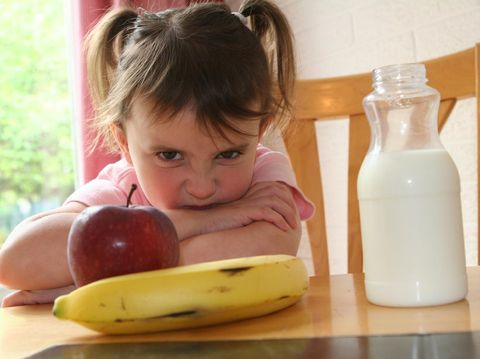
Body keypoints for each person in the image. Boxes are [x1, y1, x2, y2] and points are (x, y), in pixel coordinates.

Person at [0, 0, 314, 307]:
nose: (201, 187)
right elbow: (14, 262)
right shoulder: (123, 187)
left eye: (228, 154)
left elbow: (272, 249)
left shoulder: (264, 173)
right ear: (123, 143)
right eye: (170, 156)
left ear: (260, 131)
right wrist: (208, 221)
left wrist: (96, 278)